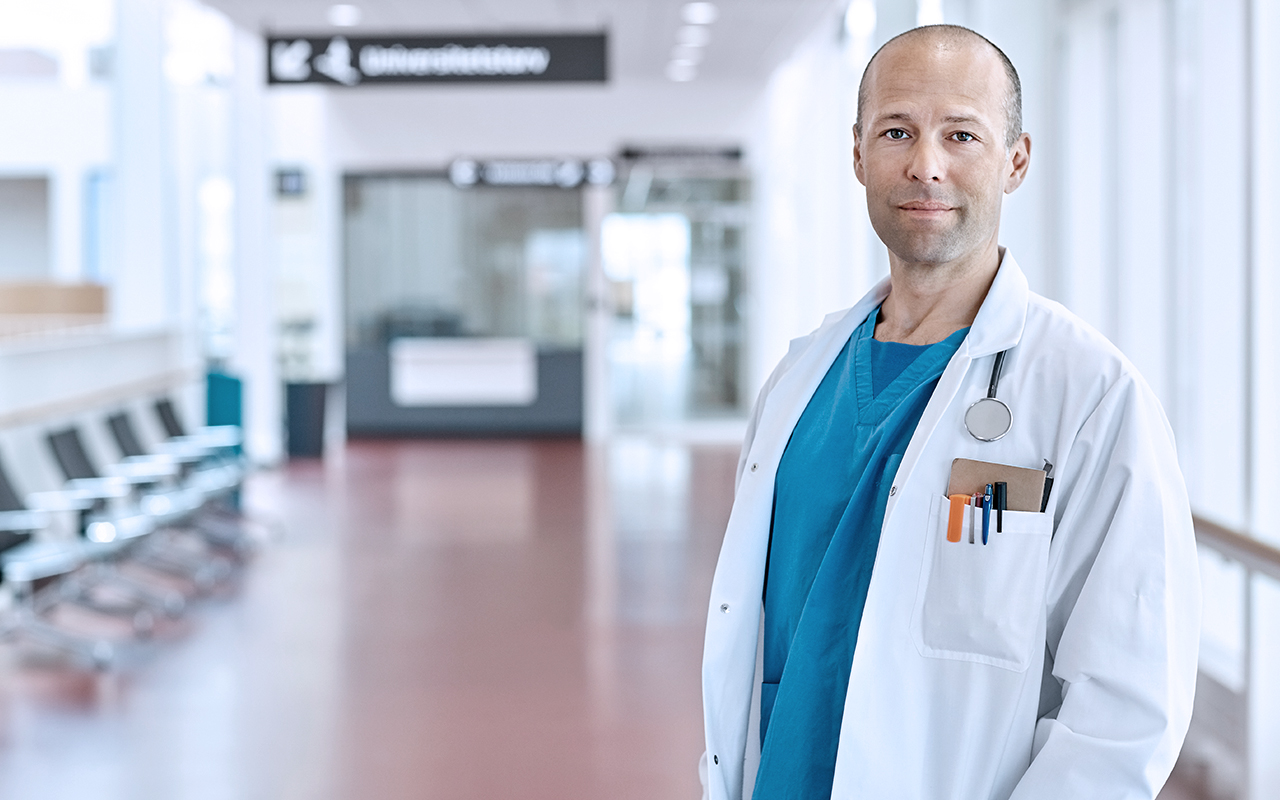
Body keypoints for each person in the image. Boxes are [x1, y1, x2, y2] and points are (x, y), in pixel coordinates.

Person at [699, 24, 1200, 800]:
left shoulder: (1090, 396)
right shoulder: (800, 379)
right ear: (858, 153)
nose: (924, 164)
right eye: (897, 130)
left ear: (1016, 160)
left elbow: (1125, 708)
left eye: (960, 134)